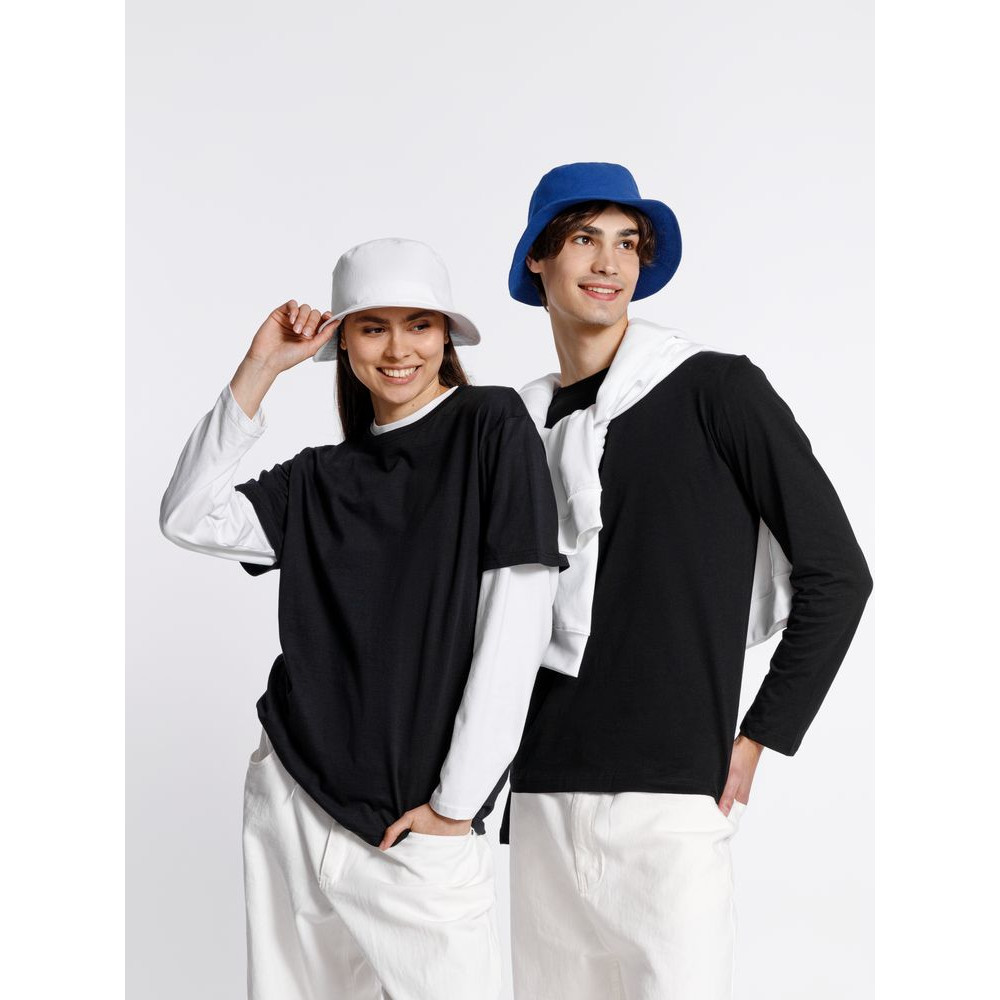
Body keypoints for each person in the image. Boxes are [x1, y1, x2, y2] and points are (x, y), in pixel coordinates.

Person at [500, 162, 873, 1000]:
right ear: (537, 259)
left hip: (669, 803)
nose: (609, 262)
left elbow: (838, 573)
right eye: (584, 238)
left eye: (627, 243)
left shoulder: (714, 389)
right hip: (542, 795)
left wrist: (760, 736)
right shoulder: (519, 425)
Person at [159, 237, 567, 1000]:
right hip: (294, 793)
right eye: (373, 327)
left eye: (420, 324)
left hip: (417, 816)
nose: (399, 349)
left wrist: (456, 805)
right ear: (343, 342)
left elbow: (519, 617)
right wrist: (260, 368)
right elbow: (188, 515)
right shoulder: (321, 477)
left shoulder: (491, 423)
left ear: (446, 337)